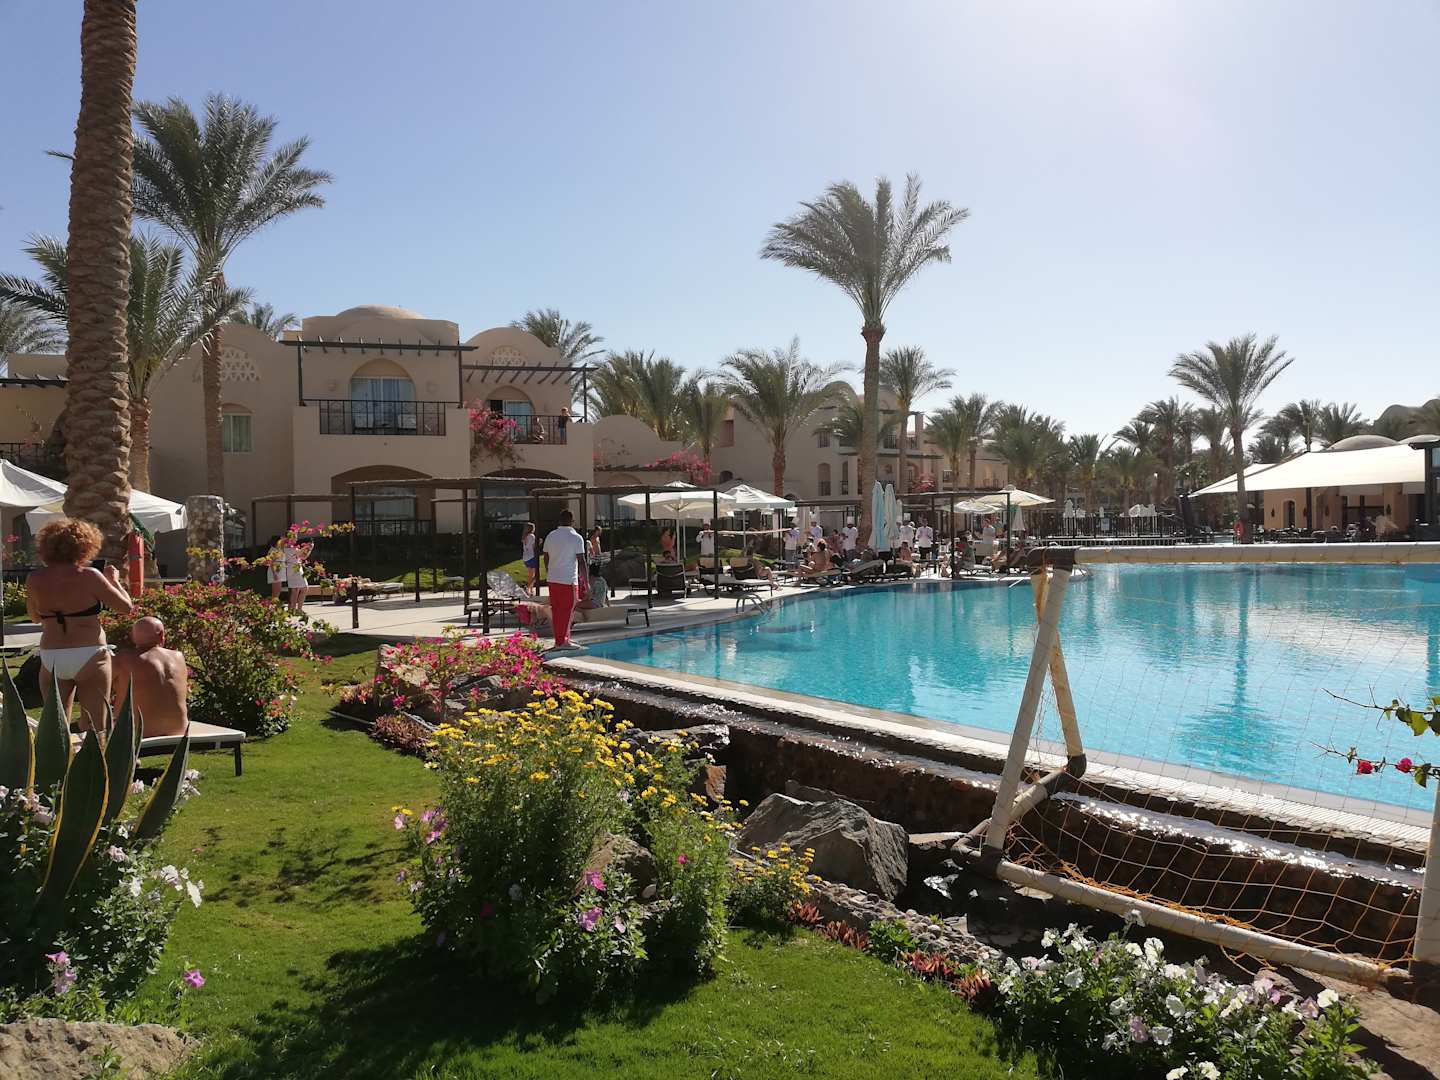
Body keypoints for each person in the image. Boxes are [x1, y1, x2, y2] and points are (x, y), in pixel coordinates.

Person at [25, 518, 133, 732]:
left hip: (52, 655)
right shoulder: (90, 576)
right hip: (90, 653)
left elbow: (35, 617)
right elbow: (125, 607)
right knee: (96, 727)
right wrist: (114, 580)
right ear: (85, 545)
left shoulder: (35, 579)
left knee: (57, 729)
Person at [111, 616, 188, 737]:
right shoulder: (178, 657)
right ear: (162, 635)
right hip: (178, 732)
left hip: (137, 735)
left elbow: (100, 690)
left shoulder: (122, 659)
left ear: (132, 636)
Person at [542, 510, 588, 649]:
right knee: (567, 611)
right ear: (572, 521)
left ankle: (560, 640)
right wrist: (586, 582)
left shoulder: (551, 536)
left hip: (553, 579)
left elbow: (546, 556)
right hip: (568, 580)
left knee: (557, 611)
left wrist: (549, 570)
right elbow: (581, 561)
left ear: (559, 521)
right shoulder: (576, 538)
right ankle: (563, 641)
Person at [285, 538, 312, 613]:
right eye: (294, 537)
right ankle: (296, 609)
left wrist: (308, 549)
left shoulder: (292, 548)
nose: (295, 539)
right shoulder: (289, 548)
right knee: (303, 588)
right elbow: (301, 555)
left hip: (294, 569)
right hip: (294, 570)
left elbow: (303, 556)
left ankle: (294, 609)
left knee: (295, 590)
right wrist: (307, 547)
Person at [521, 522, 539, 595]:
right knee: (536, 574)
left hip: (525, 557)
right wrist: (539, 542)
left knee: (531, 575)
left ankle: (531, 590)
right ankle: (527, 587)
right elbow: (534, 547)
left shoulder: (524, 536)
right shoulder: (532, 536)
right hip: (531, 557)